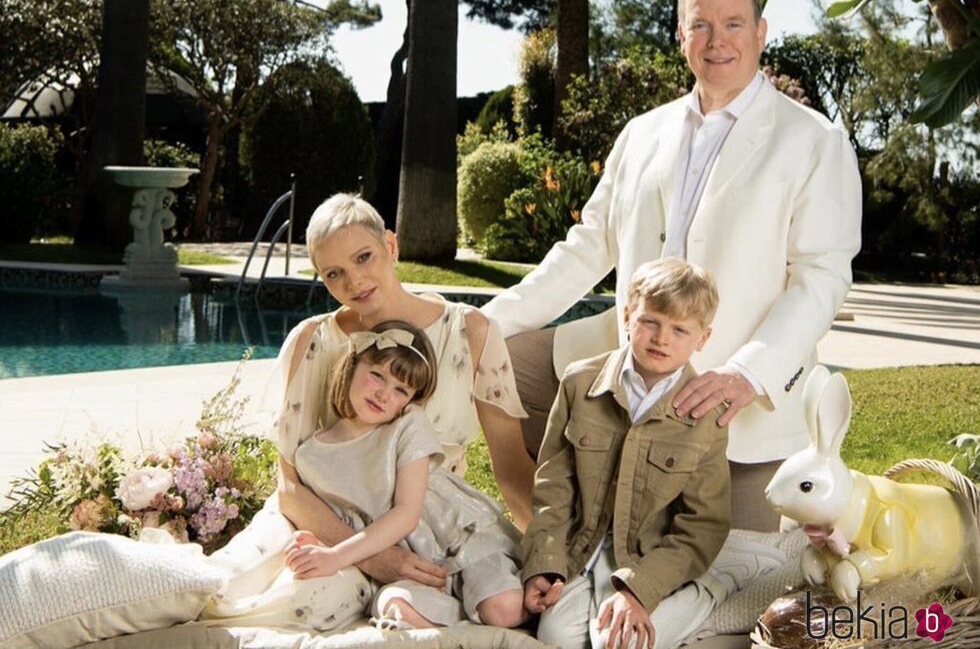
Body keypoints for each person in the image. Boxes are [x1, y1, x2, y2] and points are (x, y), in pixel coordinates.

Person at [485, 0, 862, 530]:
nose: (718, 41)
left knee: (737, 587)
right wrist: (489, 321)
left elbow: (821, 279)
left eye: (734, 24)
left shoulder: (815, 140)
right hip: (632, 367)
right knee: (501, 361)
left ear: (761, 33)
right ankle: (544, 529)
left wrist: (746, 375)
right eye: (701, 25)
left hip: (739, 407)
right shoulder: (642, 133)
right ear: (680, 36)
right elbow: (590, 245)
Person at [202, 193, 535, 635]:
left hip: (433, 531)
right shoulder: (312, 341)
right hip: (321, 523)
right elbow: (288, 486)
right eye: (334, 273)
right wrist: (370, 554)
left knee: (287, 606)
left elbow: (511, 469)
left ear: (391, 247)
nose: (355, 281)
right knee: (221, 586)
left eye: (364, 257)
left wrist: (548, 561)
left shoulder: (469, 332)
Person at [524, 260, 730, 649]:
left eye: (680, 330)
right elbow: (553, 489)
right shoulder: (579, 383)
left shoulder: (708, 415)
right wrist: (544, 564)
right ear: (627, 316)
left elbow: (703, 525)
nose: (661, 339)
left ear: (702, 338)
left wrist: (639, 592)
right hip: (584, 553)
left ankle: (709, 593)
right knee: (552, 637)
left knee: (614, 644)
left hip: (652, 559)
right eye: (650, 321)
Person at [284, 320, 526, 631]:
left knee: (502, 610)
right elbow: (337, 519)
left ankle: (494, 604)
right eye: (377, 375)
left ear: (410, 400)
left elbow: (406, 514)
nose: (384, 395)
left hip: (458, 538)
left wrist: (335, 557)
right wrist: (314, 541)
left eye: (401, 389)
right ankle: (465, 621)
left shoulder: (408, 424)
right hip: (410, 567)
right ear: (353, 364)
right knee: (393, 606)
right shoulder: (311, 457)